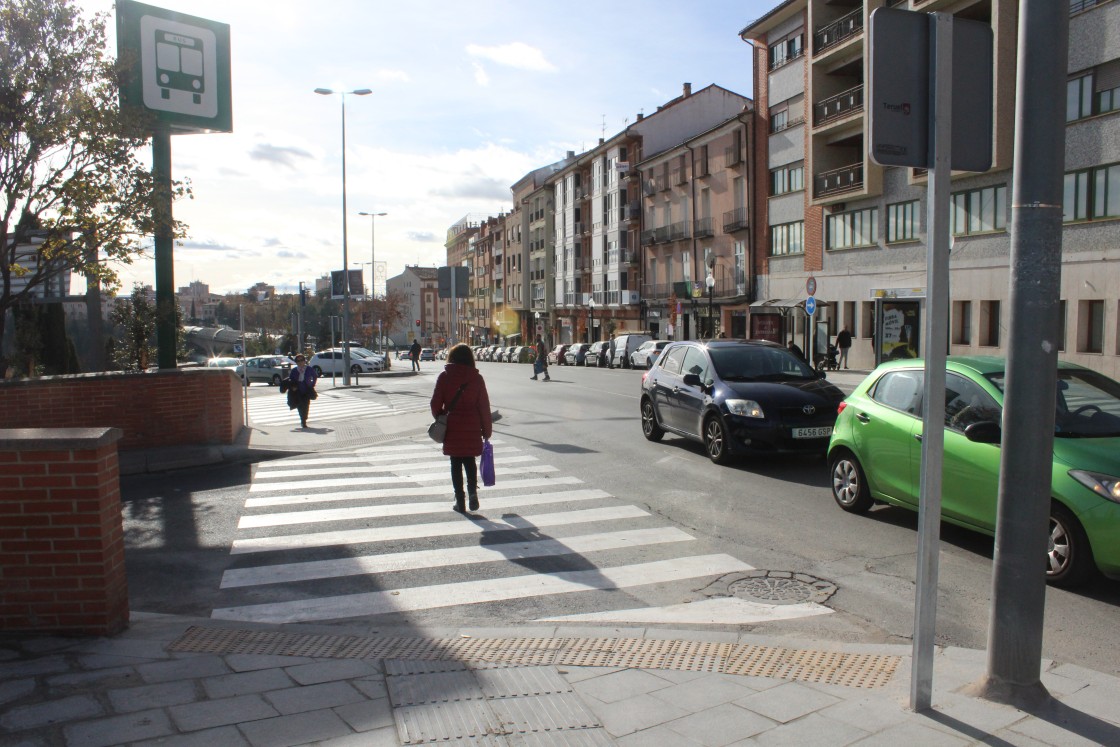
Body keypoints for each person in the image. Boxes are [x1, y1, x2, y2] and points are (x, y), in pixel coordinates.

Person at [430, 343, 493, 513]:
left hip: (451, 427)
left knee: (455, 462)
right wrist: (487, 431)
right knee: (470, 460)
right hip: (472, 427)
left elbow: (435, 404)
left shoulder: (445, 377)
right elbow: (484, 407)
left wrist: (441, 417)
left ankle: (460, 500)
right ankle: (473, 493)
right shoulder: (476, 379)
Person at [287, 354, 317, 429]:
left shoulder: (309, 369)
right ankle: (303, 421)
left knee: (306, 405)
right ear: (296, 362)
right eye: (298, 361)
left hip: (306, 390)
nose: (300, 362)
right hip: (297, 391)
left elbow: (315, 376)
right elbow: (290, 380)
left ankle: (304, 418)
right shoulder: (294, 370)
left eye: (302, 360)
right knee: (300, 406)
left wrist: (312, 384)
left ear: (304, 361)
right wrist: (292, 387)